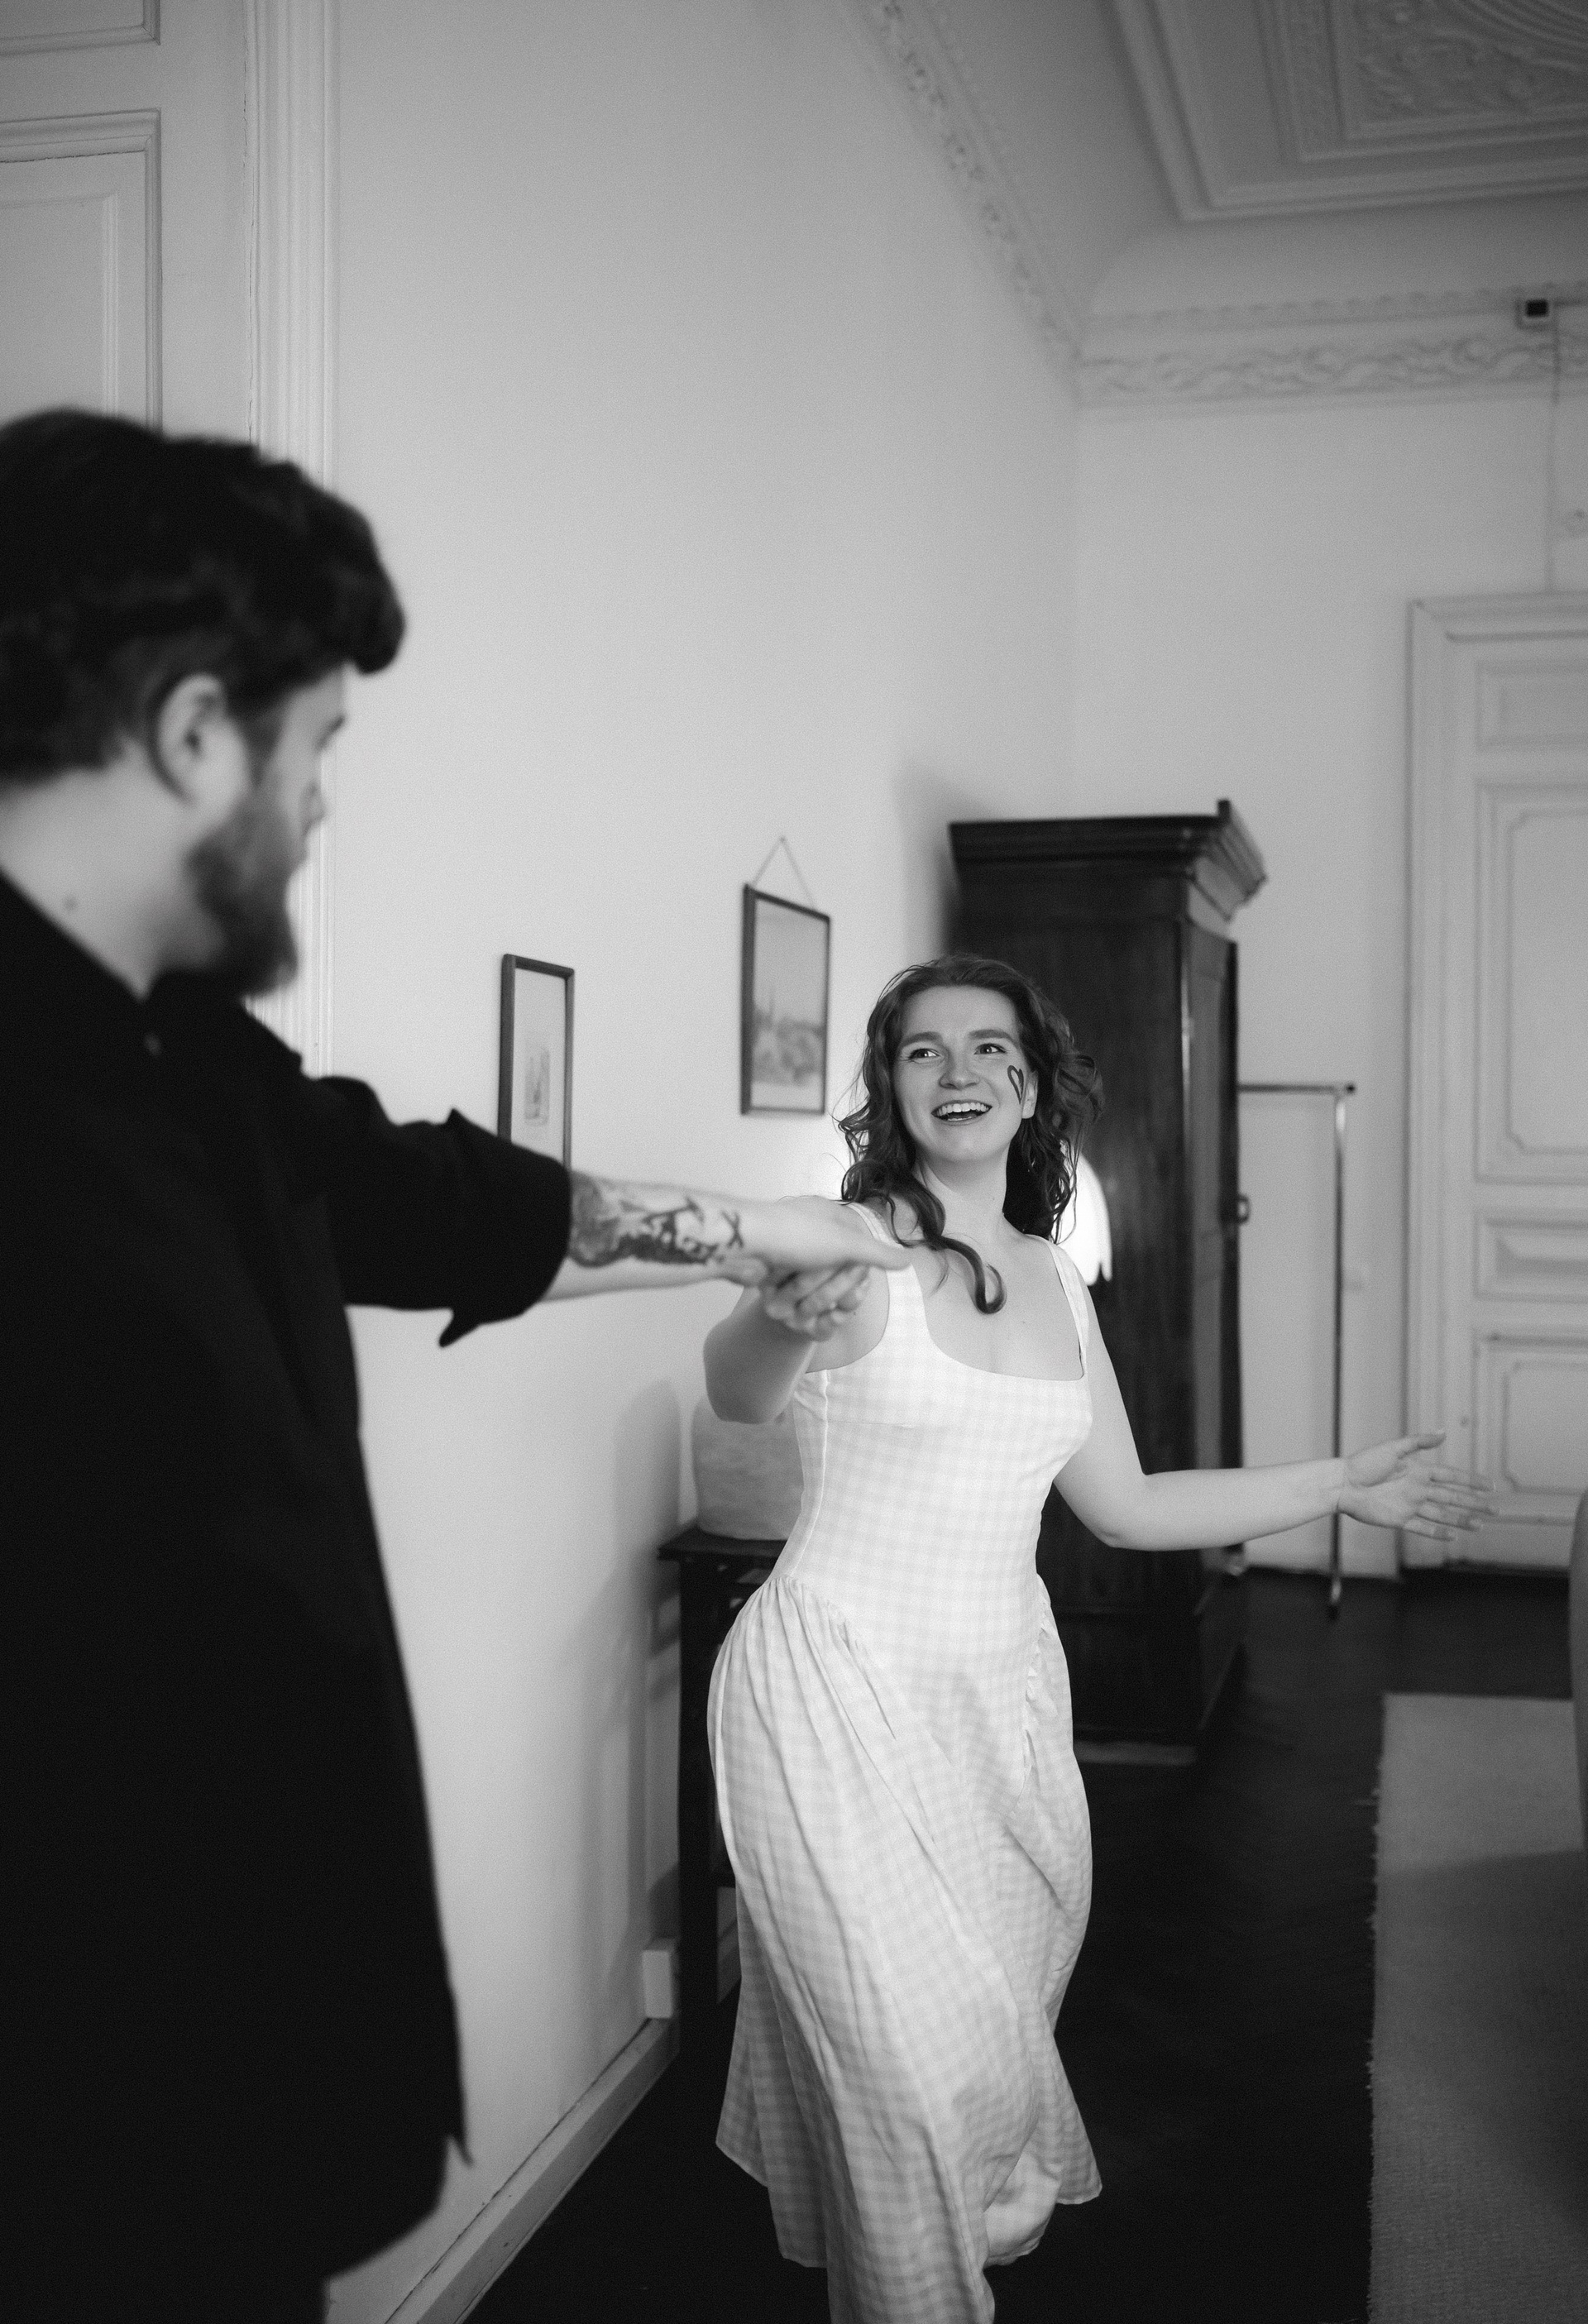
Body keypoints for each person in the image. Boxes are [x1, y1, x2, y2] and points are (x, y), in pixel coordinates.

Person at [0, 409, 909, 2323]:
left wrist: (763, 1228)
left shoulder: (184, 1055)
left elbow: (434, 1203)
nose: (322, 807)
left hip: (223, 2044)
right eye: (316, 747)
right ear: (191, 733)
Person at [704, 954, 1490, 2324]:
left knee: (980, 2033)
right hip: (829, 1694)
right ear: (892, 1088)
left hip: (999, 1712)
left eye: (989, 1049)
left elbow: (1128, 1506)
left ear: (1032, 1090)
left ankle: (932, 2240)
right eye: (923, 1050)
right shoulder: (857, 1243)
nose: (958, 1071)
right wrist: (774, 1321)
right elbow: (739, 1392)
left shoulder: (1058, 1282)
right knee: (903, 2064)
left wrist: (1339, 1483)